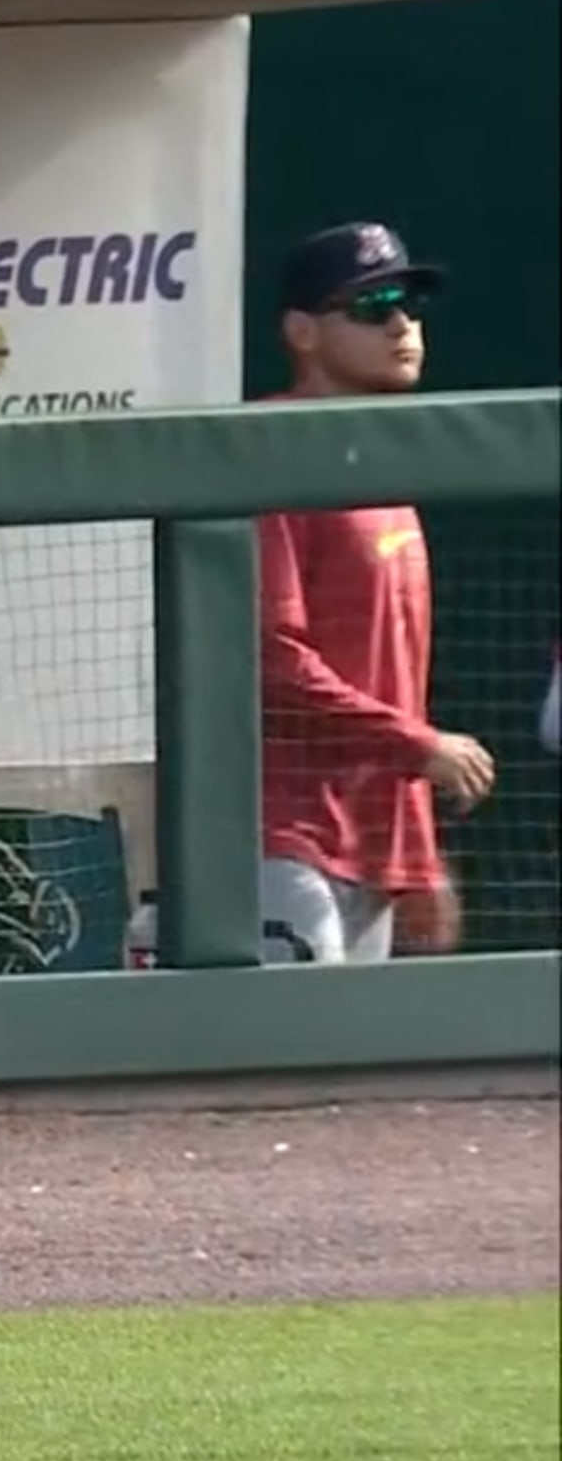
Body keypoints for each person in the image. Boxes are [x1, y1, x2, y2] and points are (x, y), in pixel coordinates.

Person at [255, 221, 493, 963]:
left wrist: (415, 853)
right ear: (302, 331)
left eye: (409, 303)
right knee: (284, 1071)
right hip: (284, 837)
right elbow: (270, 660)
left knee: (352, 1081)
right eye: (372, 305)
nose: (401, 323)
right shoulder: (271, 452)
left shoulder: (379, 464)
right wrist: (417, 746)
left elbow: (388, 679)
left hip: (373, 848)